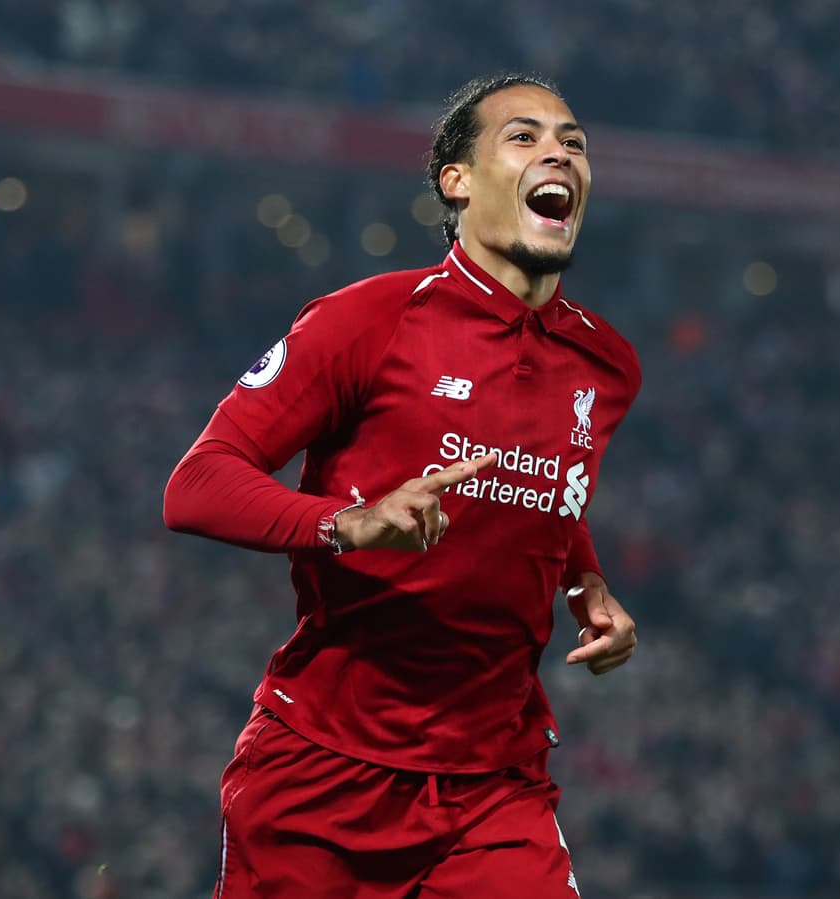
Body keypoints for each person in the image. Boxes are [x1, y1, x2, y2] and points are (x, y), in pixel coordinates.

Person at [163, 73, 641, 898]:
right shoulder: (367, 320)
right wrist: (348, 524)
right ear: (456, 181)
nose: (558, 151)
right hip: (322, 773)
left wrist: (585, 577)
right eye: (522, 137)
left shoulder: (608, 364)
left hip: (495, 782)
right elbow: (197, 484)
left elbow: (550, 485)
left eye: (573, 142)